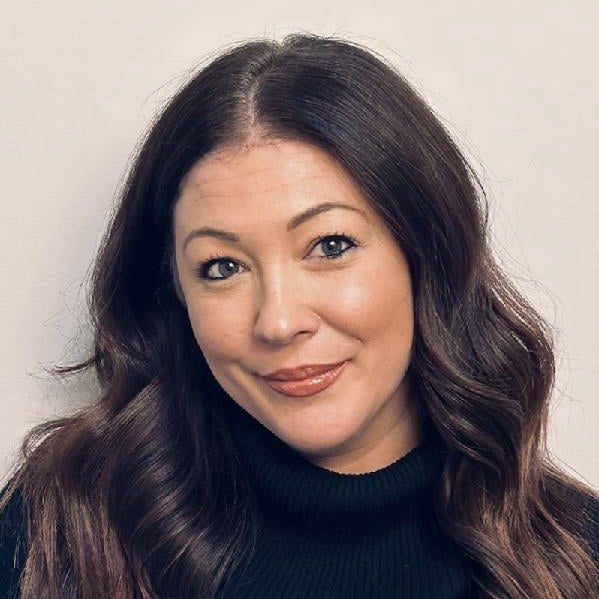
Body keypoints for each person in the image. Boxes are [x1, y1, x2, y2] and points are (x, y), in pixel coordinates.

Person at [0, 33, 597, 599]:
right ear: (174, 293)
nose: (279, 322)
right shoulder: (62, 529)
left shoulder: (574, 556)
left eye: (330, 246)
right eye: (221, 267)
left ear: (426, 254)